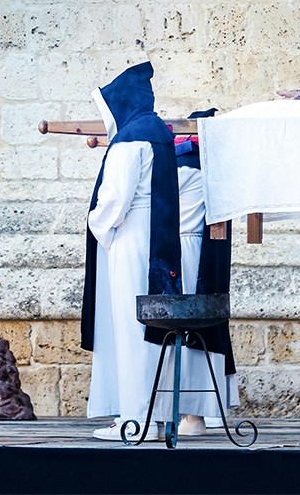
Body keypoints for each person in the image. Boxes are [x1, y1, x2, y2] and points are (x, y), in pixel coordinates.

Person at [81, 61, 182, 442]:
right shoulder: (158, 133)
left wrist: (99, 228)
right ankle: (153, 417)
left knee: (130, 326)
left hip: (130, 236)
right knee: (151, 329)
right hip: (158, 237)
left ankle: (134, 419)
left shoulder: (129, 139)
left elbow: (115, 199)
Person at [170, 116, 237, 434]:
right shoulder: (219, 167)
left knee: (185, 327)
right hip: (205, 250)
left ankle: (193, 413)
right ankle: (210, 409)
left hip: (184, 248)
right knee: (208, 328)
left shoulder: (183, 163)